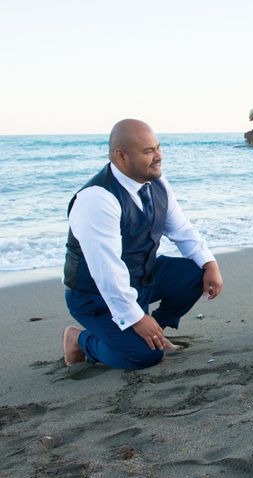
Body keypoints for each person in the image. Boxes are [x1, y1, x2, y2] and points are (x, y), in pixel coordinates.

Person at [62, 119, 223, 370]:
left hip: (141, 280)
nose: (159, 156)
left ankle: (156, 332)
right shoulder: (97, 199)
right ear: (121, 156)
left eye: (158, 148)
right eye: (148, 151)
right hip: (95, 296)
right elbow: (107, 272)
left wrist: (209, 262)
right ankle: (80, 340)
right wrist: (136, 318)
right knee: (141, 357)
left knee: (196, 272)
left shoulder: (156, 182)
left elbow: (181, 228)